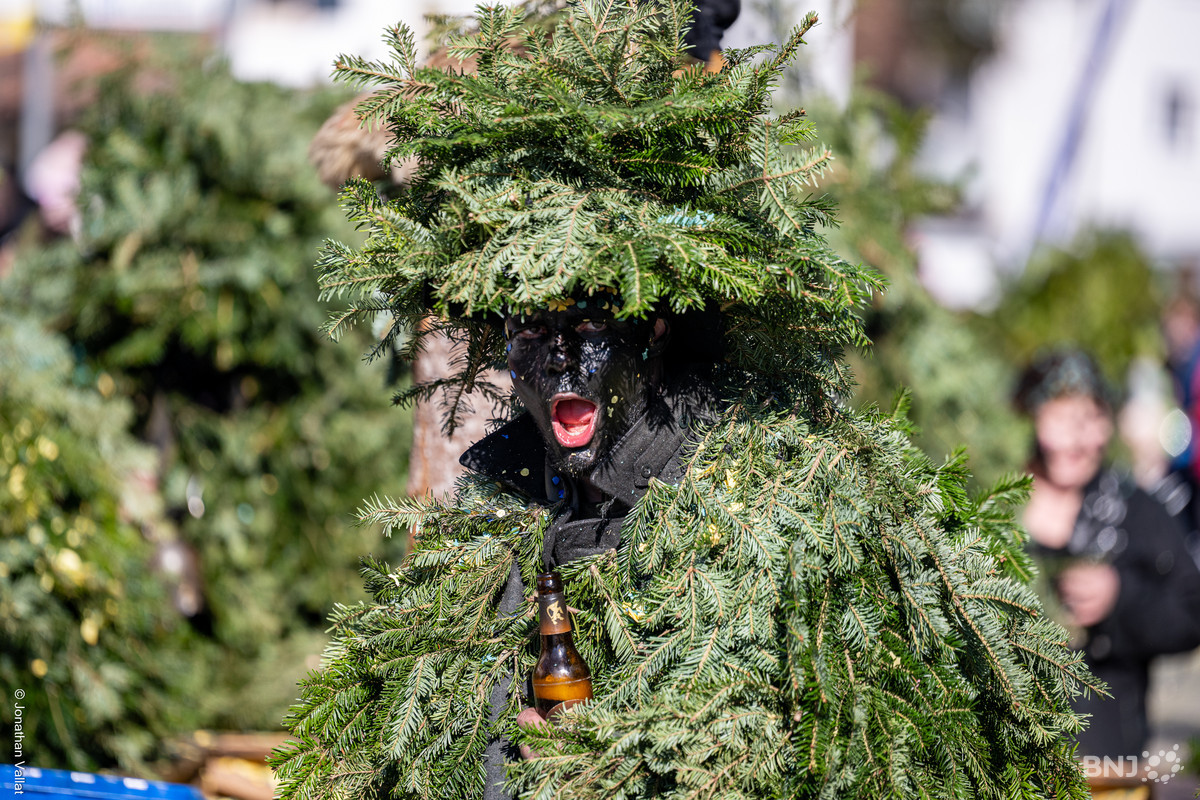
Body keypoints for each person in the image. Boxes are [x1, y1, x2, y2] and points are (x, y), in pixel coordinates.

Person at [1016, 349, 1200, 761]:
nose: (1076, 440)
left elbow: (1192, 611)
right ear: (1030, 418)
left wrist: (1122, 597)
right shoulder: (995, 506)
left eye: (1091, 418)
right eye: (1060, 419)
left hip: (1108, 766)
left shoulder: (1136, 510)